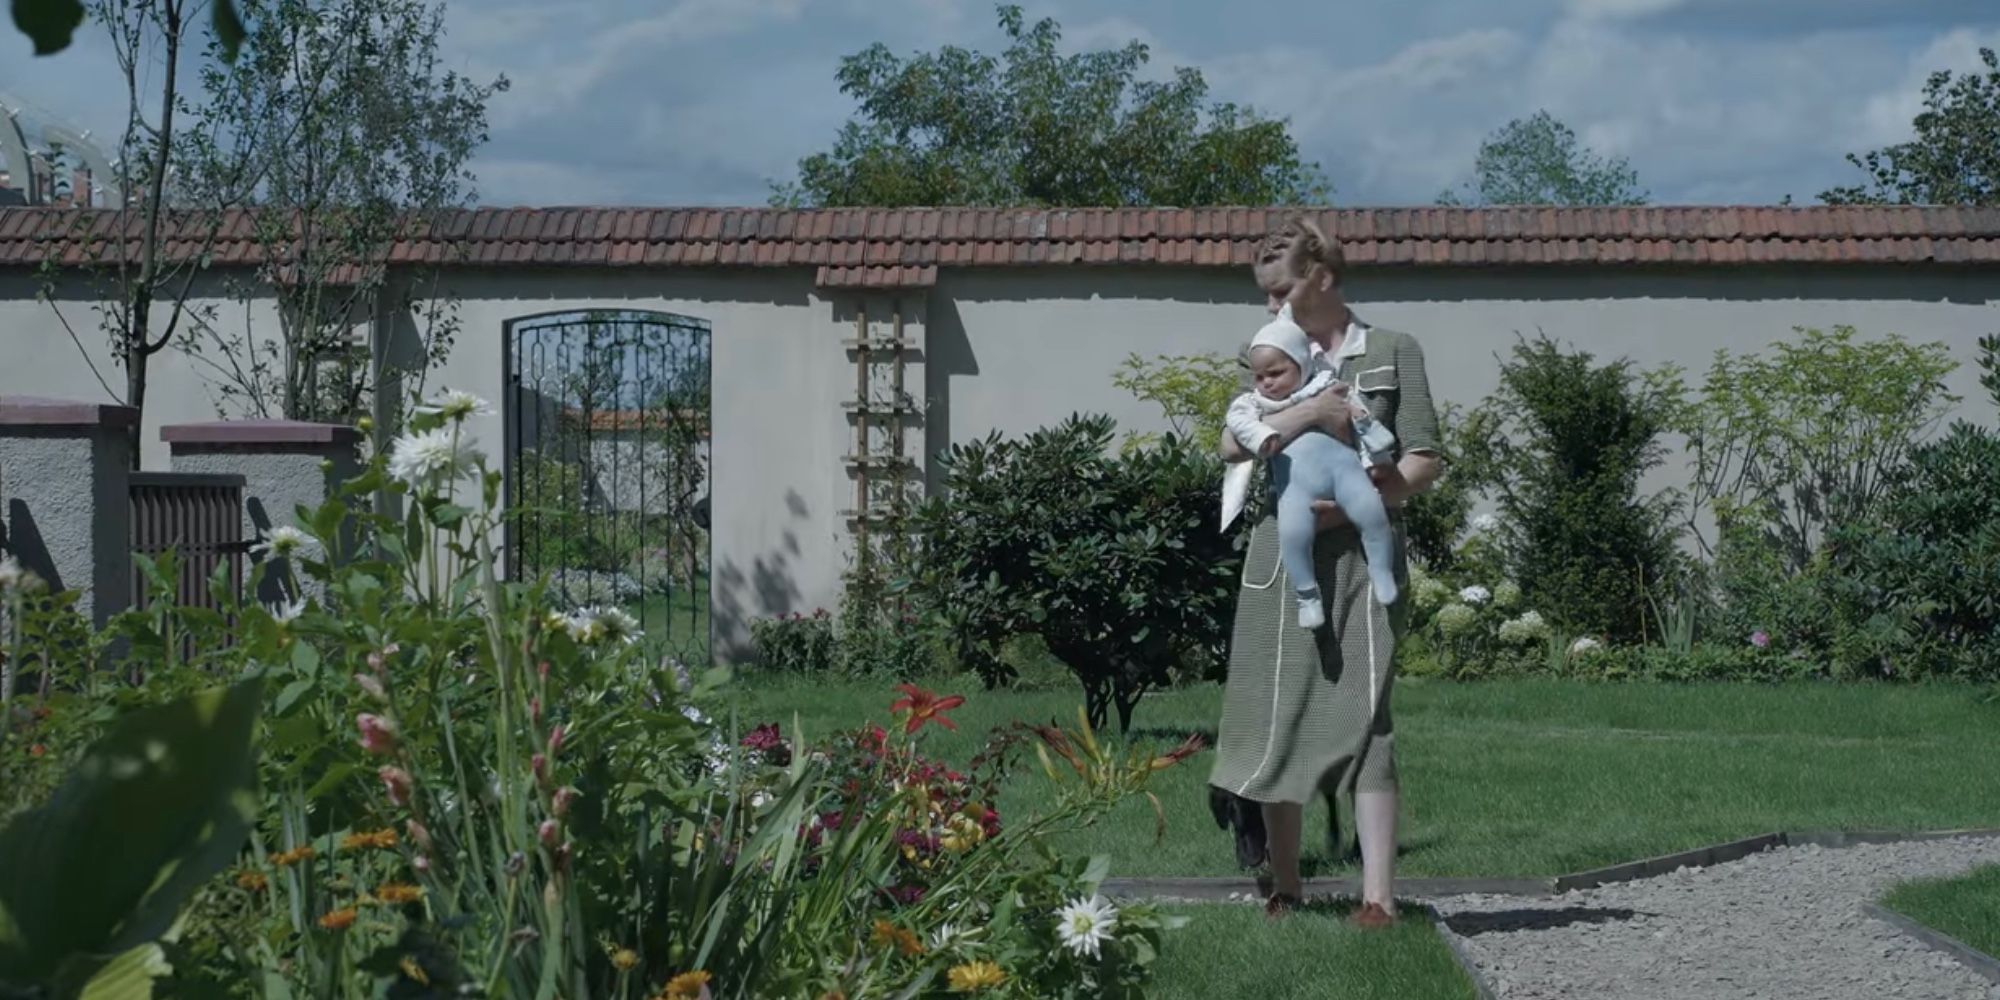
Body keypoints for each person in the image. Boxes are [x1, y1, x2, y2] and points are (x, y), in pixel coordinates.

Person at [1207, 216, 1444, 927]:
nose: (1271, 307)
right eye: (1264, 296)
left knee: (1366, 717)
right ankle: (1285, 886)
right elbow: (1231, 442)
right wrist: (1308, 410)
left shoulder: (1394, 351)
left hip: (1362, 564)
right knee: (1279, 711)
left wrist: (1361, 504)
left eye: (1281, 291)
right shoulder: (1269, 354)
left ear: (1323, 278)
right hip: (1281, 558)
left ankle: (1379, 900)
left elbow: (1425, 458)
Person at [1223, 306, 1400, 629]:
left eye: (1276, 373)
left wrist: (1376, 444)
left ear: (1301, 364)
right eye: (1259, 377)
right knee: (1292, 535)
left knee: (1372, 513)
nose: (1266, 383)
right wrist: (1263, 436)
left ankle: (1381, 569)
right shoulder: (1255, 403)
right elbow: (1234, 426)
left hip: (1346, 472)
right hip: (1295, 485)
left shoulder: (1325, 384)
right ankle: (1307, 596)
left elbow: (1358, 412)